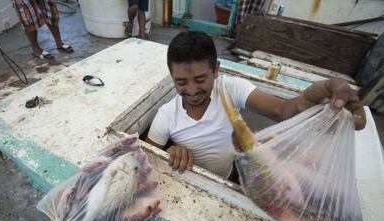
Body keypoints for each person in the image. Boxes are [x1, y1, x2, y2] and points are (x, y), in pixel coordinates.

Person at [145, 31, 366, 178]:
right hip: (193, 182)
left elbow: (282, 111)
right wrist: (169, 151)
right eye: (181, 82)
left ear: (216, 70)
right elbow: (145, 160)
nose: (192, 91)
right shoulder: (166, 116)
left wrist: (316, 95)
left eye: (201, 80)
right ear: (172, 77)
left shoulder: (231, 88)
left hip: (234, 172)